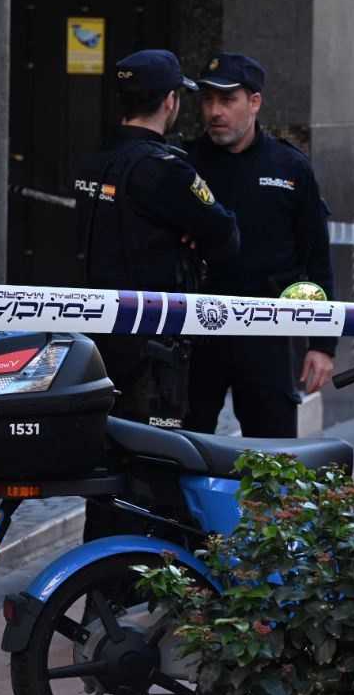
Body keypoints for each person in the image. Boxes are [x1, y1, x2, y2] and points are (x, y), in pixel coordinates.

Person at [74, 48, 239, 539]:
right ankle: (132, 590)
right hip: (152, 355)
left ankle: (100, 588)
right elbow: (227, 238)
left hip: (99, 343)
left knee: (108, 473)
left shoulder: (94, 159)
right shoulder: (165, 169)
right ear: (171, 101)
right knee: (152, 476)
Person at [183, 52, 336, 437]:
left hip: (265, 329)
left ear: (254, 102)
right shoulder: (184, 162)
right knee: (178, 449)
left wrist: (322, 343)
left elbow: (317, 258)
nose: (215, 111)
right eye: (207, 100)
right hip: (194, 327)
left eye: (227, 100)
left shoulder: (289, 166)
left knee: (272, 457)